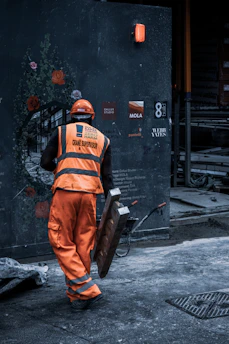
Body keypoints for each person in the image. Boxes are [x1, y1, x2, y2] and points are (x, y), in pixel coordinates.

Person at [40, 99, 114, 311]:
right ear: (92, 118)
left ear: (71, 117)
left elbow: (44, 162)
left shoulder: (62, 132)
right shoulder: (103, 139)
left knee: (60, 240)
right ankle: (77, 296)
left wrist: (60, 169)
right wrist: (113, 207)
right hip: (89, 196)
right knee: (83, 242)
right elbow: (107, 178)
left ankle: (87, 289)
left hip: (66, 192)